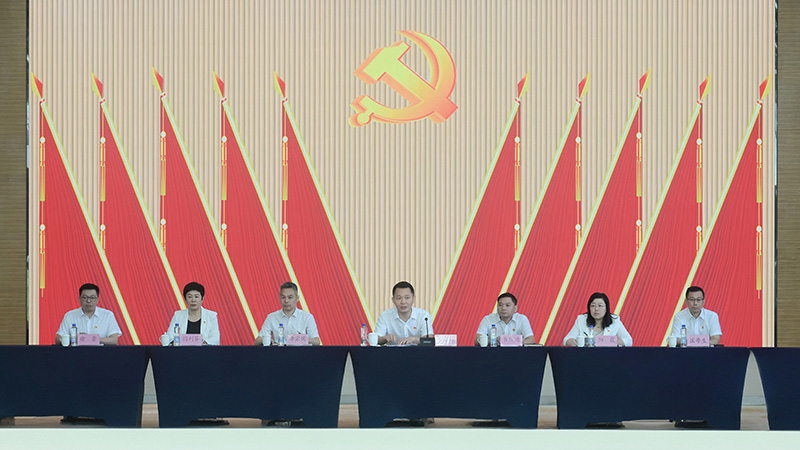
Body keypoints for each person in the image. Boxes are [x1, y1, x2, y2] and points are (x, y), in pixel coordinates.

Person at [255, 282, 320, 346]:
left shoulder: (307, 317)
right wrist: (266, 340)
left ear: (297, 298)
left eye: (290, 297)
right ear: (279, 298)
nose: (286, 301)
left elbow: (317, 342)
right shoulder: (271, 317)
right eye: (283, 297)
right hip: (278, 352)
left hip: (300, 352)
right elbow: (257, 341)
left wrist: (302, 339)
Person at [56, 283, 122, 345]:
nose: (88, 301)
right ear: (79, 299)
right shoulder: (70, 315)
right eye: (85, 297)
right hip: (76, 352)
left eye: (92, 297)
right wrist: (76, 338)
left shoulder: (107, 315)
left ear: (97, 299)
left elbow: (114, 340)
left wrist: (89, 339)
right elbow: (58, 339)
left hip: (100, 352)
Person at [374, 281, 433, 345]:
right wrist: (385, 338)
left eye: (407, 298)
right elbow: (376, 339)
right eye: (399, 298)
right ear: (393, 300)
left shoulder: (423, 316)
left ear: (413, 299)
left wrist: (413, 339)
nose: (403, 302)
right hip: (392, 351)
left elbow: (429, 340)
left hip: (417, 351)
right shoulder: (385, 316)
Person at [563, 292, 632, 347]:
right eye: (593, 306)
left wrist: (601, 341)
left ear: (606, 308)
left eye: (600, 306)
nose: (596, 309)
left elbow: (628, 341)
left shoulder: (615, 321)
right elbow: (566, 340)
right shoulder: (581, 320)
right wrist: (578, 341)